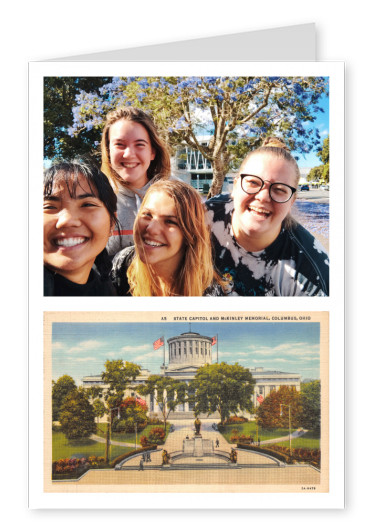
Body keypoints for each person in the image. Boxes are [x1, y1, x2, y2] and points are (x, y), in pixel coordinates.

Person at [206, 137, 329, 296]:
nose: (263, 197)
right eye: (253, 183)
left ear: (292, 201)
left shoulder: (311, 274)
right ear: (235, 186)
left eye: (279, 189)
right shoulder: (203, 216)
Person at [111, 180, 226, 296]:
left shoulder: (210, 294)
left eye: (170, 221)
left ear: (190, 234)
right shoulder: (122, 264)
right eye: (147, 215)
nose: (152, 228)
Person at [101, 106, 171, 257]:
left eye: (139, 144)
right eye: (119, 144)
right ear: (108, 151)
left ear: (152, 152)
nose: (129, 154)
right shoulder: (95, 199)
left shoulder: (176, 196)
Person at [43, 159, 118, 296]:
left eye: (87, 205)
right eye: (49, 207)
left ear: (112, 223)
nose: (67, 221)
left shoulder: (107, 291)